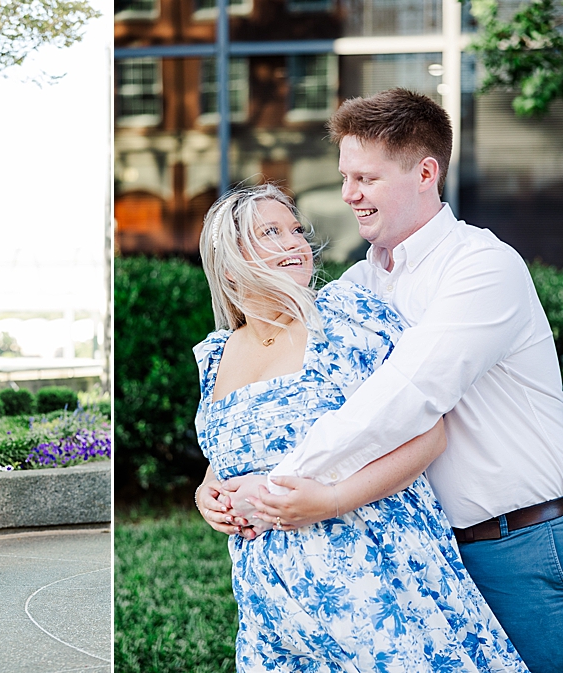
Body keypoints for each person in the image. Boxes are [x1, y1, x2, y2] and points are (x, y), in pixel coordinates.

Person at [198, 88, 563, 673]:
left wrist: (275, 491)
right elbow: (277, 410)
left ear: (425, 173)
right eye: (345, 177)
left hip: (523, 540)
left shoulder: (480, 265)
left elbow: (404, 400)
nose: (348, 195)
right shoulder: (354, 293)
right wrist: (216, 484)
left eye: (365, 178)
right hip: (439, 546)